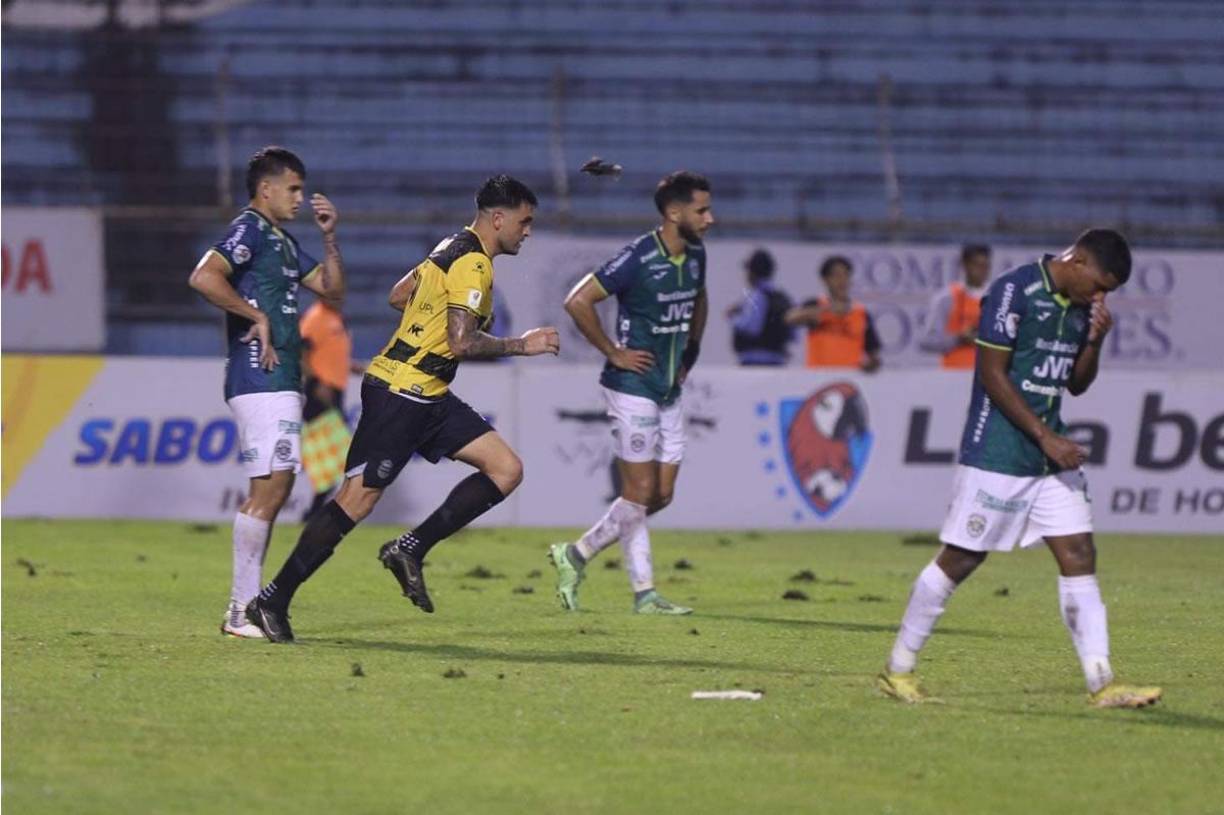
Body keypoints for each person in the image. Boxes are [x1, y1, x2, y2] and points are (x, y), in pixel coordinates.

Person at [245, 175, 560, 643]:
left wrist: (428, 314)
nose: (528, 231)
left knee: (505, 469)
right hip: (401, 393)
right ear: (499, 218)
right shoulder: (473, 264)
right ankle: (271, 600)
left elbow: (398, 295)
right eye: (524, 221)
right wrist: (523, 344)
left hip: (427, 391)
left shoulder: (450, 244)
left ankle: (410, 548)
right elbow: (461, 340)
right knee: (357, 501)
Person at [877, 229, 1161, 709]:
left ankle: (1102, 682)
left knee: (1078, 553)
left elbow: (1076, 385)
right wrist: (1047, 436)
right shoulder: (1014, 291)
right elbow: (991, 374)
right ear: (1078, 261)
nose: (1101, 296)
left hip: (1047, 460)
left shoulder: (1078, 309)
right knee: (962, 559)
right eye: (1100, 285)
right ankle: (897, 670)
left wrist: (1094, 342)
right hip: (999, 453)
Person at [188, 146, 346, 638]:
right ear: (266, 189)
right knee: (272, 487)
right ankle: (241, 610)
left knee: (274, 488)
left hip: (280, 379)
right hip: (259, 374)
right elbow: (203, 277)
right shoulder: (249, 230)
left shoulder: (281, 239)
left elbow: (332, 288)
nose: (301, 197)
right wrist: (253, 315)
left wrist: (329, 236)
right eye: (294, 188)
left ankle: (245, 608)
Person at [548, 170, 712, 615]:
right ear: (674, 213)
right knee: (638, 492)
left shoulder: (696, 255)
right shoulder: (638, 257)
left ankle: (576, 554)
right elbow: (577, 301)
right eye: (702, 210)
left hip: (669, 387)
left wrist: (690, 353)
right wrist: (613, 352)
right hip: (631, 386)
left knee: (659, 495)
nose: (710, 218)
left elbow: (699, 300)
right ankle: (645, 594)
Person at [299, 294, 365, 522]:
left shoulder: (335, 318)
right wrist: (317, 384)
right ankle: (315, 512)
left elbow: (328, 355)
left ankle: (315, 511)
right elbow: (301, 355)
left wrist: (351, 366)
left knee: (335, 459)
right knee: (339, 456)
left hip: (334, 391)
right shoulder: (315, 318)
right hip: (321, 394)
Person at [785, 255, 881, 371]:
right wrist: (826, 309)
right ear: (825, 280)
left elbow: (874, 354)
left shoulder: (861, 313)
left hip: (850, 380)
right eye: (836, 276)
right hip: (816, 379)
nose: (842, 280)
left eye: (846, 275)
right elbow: (789, 318)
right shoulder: (816, 304)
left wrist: (871, 364)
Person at [918, 243, 992, 368]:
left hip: (988, 376)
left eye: (985, 266)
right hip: (954, 375)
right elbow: (928, 341)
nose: (982, 271)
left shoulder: (999, 298)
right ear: (964, 265)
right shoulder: (947, 298)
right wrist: (959, 339)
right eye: (977, 265)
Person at [727, 248, 794, 365]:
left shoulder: (756, 295)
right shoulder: (783, 297)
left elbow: (752, 328)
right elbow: (794, 334)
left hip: (753, 361)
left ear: (753, 272)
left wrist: (733, 317)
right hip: (777, 360)